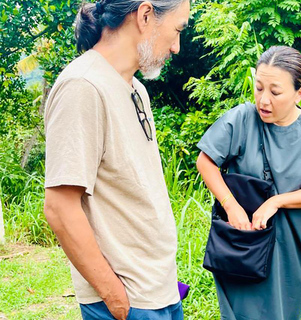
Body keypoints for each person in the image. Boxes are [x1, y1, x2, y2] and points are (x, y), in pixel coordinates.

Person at [43, 1, 190, 319]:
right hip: (126, 303)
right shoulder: (82, 86)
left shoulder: (136, 88)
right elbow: (59, 207)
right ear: (146, 15)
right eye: (177, 30)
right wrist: (115, 297)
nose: (177, 47)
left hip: (156, 292)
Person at [196, 46, 301, 319]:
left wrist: (276, 201)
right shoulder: (241, 119)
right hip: (241, 245)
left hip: (289, 252)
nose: (264, 100)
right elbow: (206, 161)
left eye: (275, 92)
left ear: (300, 93)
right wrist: (231, 206)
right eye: (259, 88)